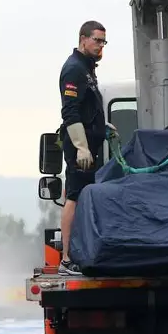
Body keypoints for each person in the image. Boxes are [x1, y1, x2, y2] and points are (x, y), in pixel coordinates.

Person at [57, 20, 117, 275]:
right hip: (81, 149)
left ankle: (84, 252)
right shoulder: (73, 69)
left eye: (104, 42)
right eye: (97, 40)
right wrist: (81, 147)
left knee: (85, 197)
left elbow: (88, 108)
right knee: (74, 196)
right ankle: (67, 259)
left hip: (91, 145)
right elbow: (70, 112)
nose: (101, 46)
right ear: (83, 39)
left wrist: (103, 128)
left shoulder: (87, 69)